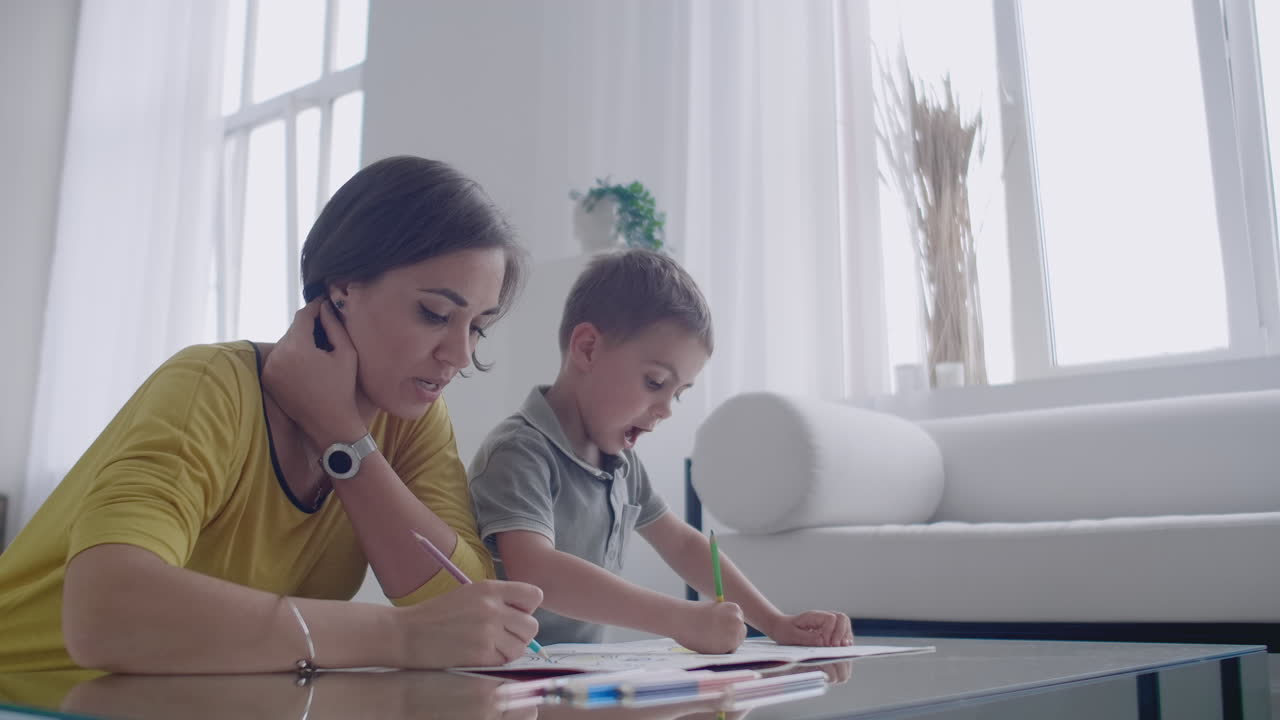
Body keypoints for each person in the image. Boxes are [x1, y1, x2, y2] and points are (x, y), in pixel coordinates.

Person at [0, 156, 542, 674]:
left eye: (477, 326)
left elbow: (465, 608)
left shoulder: (412, 420)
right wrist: (399, 636)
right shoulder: (211, 385)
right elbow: (105, 612)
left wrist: (343, 438)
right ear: (343, 287)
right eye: (435, 313)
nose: (459, 354)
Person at [468, 249, 853, 653]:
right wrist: (678, 619)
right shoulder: (519, 452)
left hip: (574, 678)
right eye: (655, 382)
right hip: (501, 677)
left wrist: (776, 622)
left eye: (678, 394)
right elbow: (538, 571)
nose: (666, 409)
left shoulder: (621, 464)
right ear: (587, 349)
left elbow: (684, 545)